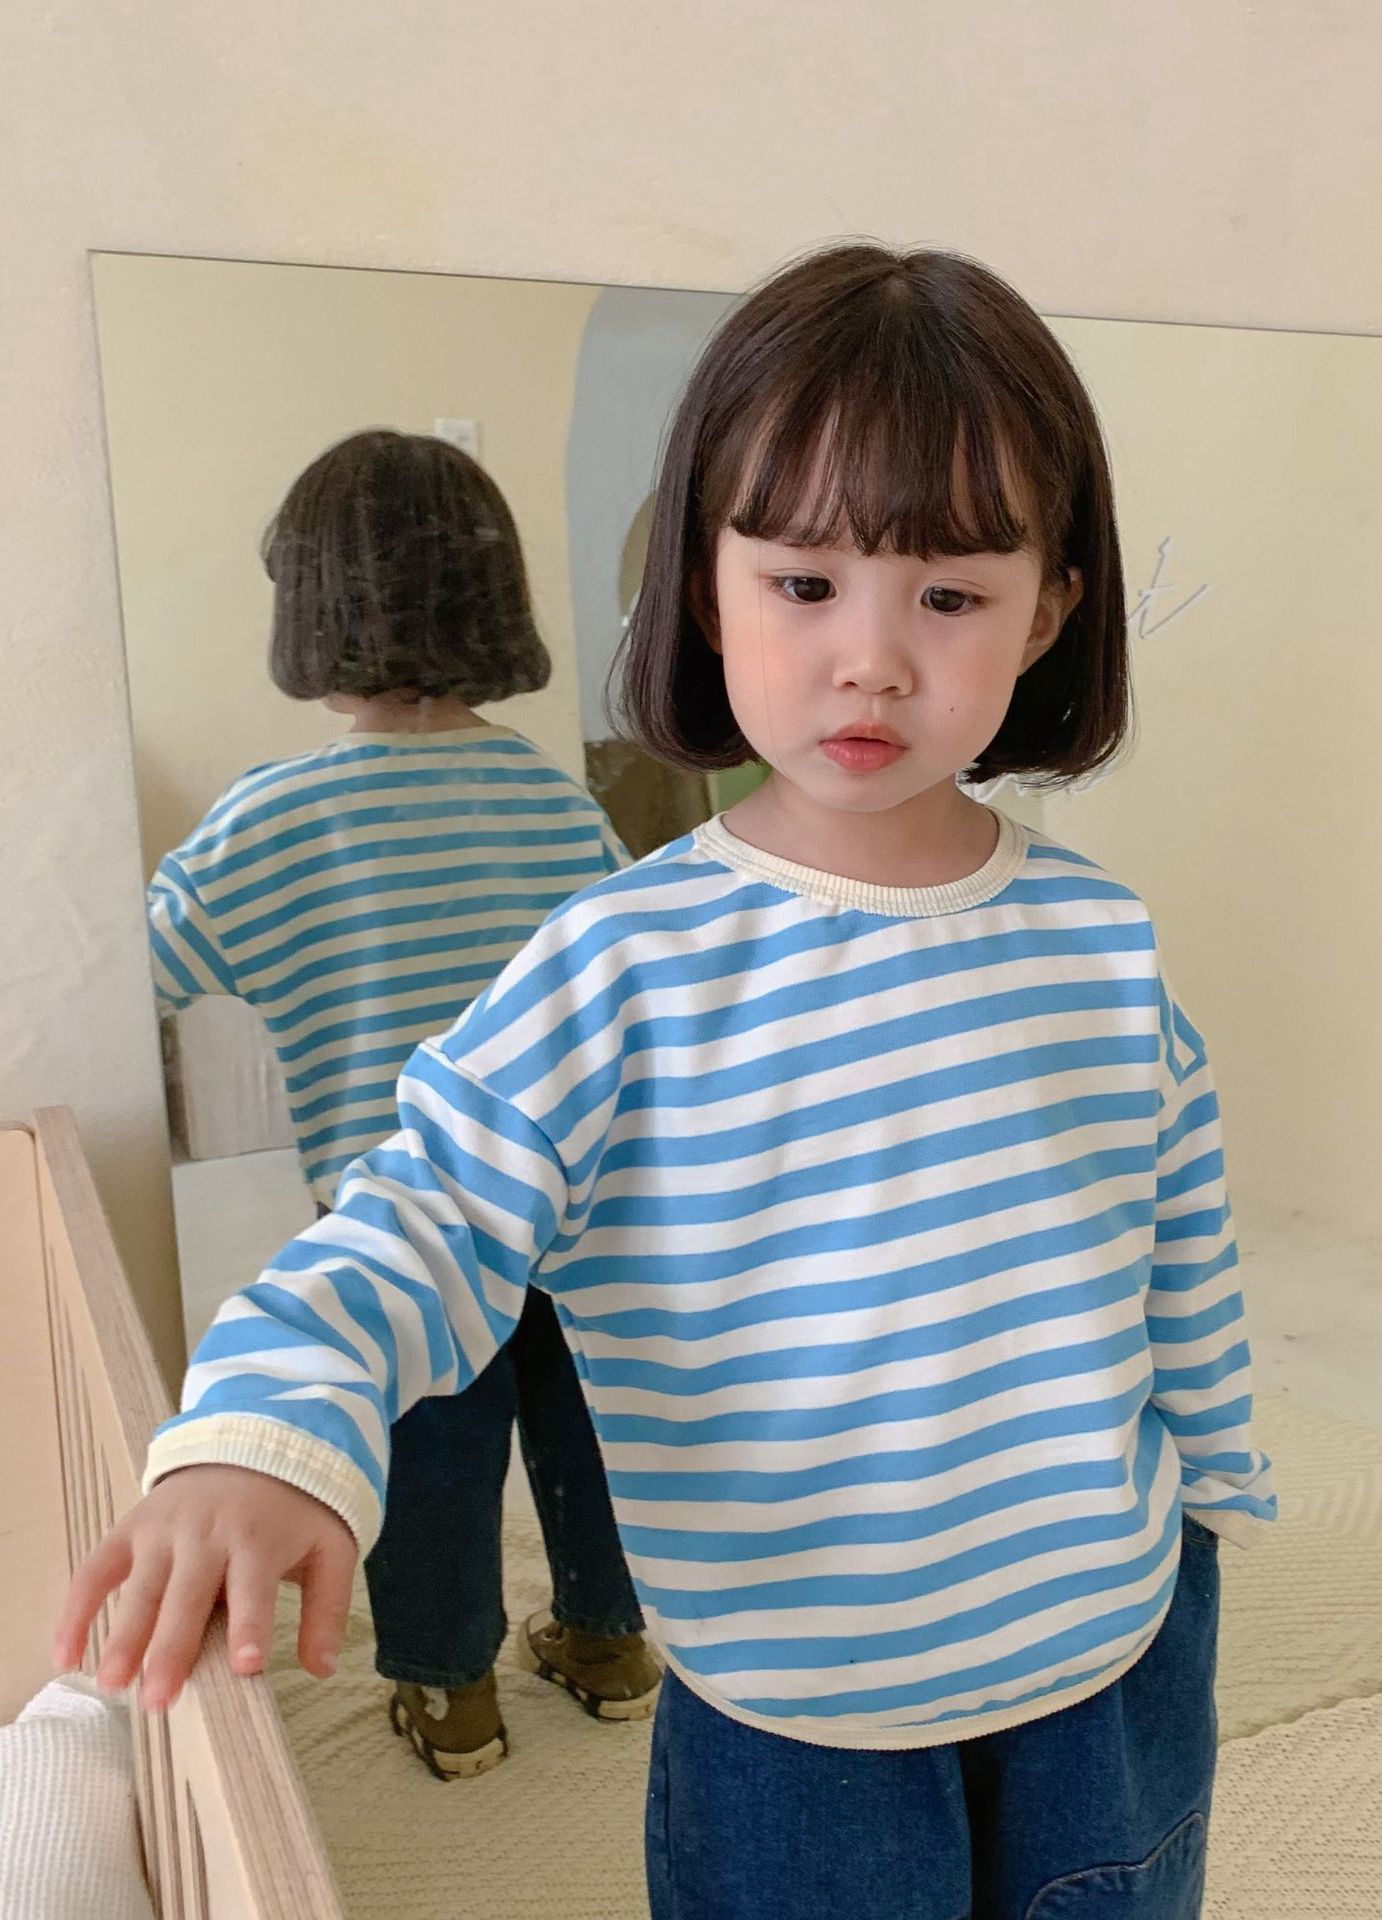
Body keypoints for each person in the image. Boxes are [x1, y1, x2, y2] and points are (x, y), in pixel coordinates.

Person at [61, 244, 1276, 1914]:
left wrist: (1213, 1490)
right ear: (705, 590)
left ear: (1049, 611)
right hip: (792, 1707)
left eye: (949, 596)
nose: (872, 658)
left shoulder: (1100, 937)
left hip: (1115, 1654)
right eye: (804, 584)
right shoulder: (619, 963)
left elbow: (1175, 1235)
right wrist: (261, 1434)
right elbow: (416, 1223)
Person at [141, 429, 660, 1777]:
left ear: (306, 610)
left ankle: (449, 1692)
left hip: (408, 1224)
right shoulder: (556, 804)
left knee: (430, 1457)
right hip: (583, 1208)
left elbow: (135, 972)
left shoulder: (267, 824)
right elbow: (634, 986)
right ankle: (609, 1645)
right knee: (592, 1432)